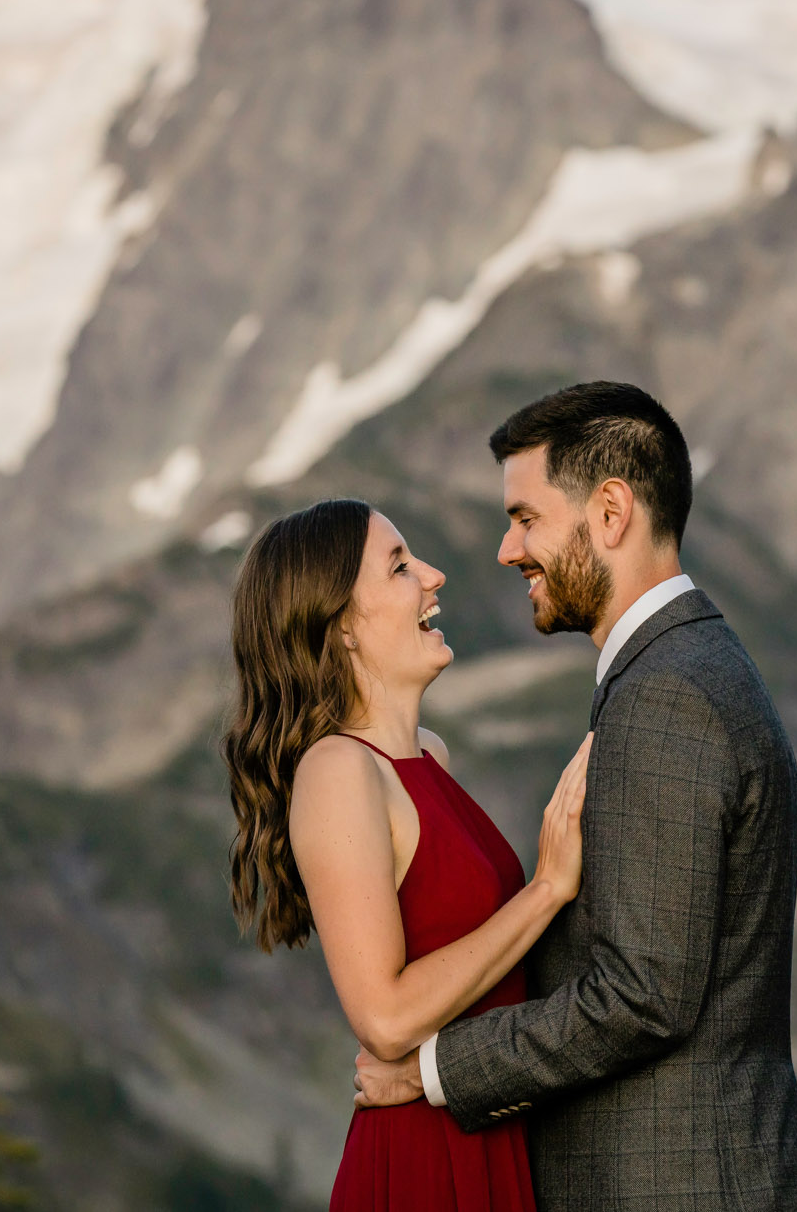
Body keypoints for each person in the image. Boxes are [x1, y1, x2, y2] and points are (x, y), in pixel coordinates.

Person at [355, 382, 797, 1210]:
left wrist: (431, 1069)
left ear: (610, 512)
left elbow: (643, 994)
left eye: (526, 518)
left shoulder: (667, 694)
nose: (508, 551)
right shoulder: (689, 667)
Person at [224, 496, 592, 1211]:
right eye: (399, 567)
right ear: (343, 630)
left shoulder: (430, 758)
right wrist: (545, 888)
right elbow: (385, 1018)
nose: (433, 575)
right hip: (424, 1161)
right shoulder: (337, 771)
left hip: (485, 1127)